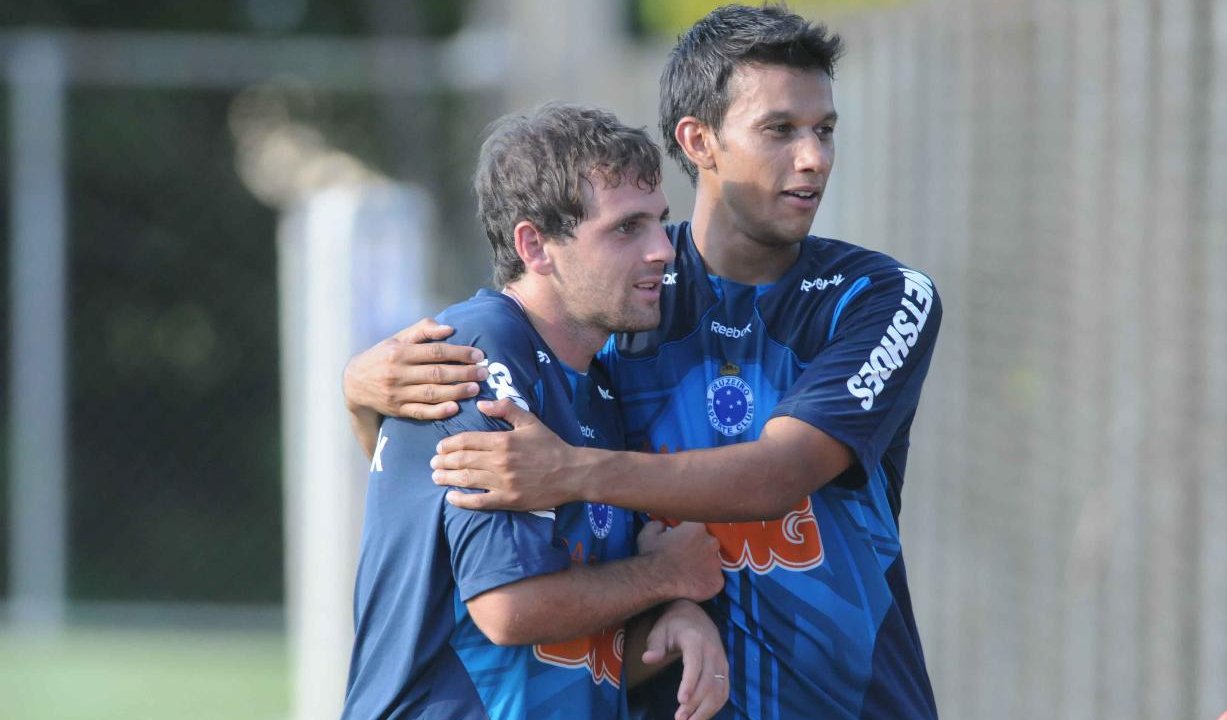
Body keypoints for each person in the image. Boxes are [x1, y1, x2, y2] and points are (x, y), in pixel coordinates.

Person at [345, 5, 943, 718]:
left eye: (824, 130)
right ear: (700, 141)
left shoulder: (877, 297)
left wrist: (577, 477)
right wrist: (360, 394)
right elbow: (456, 503)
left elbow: (780, 475)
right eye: (780, 130)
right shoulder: (614, 304)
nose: (813, 157)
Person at [341, 103, 730, 720]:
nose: (663, 249)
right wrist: (666, 577)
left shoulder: (595, 387)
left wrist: (673, 626)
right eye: (627, 228)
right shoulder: (478, 353)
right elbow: (508, 609)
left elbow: (568, 652)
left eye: (660, 222)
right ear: (535, 246)